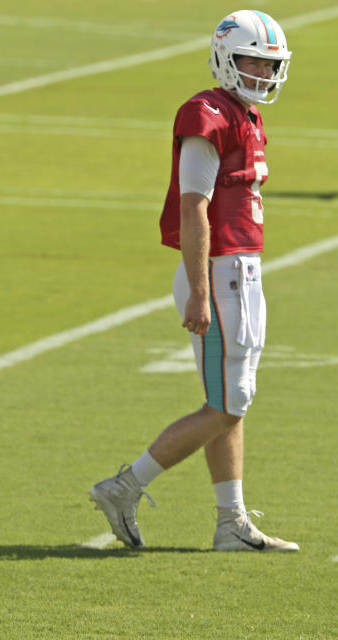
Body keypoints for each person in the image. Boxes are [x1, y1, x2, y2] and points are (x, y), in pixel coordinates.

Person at [90, 10, 297, 552]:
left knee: (231, 401)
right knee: (228, 405)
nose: (261, 73)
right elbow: (193, 206)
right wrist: (202, 288)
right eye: (252, 60)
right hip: (219, 271)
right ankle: (124, 486)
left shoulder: (244, 113)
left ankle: (230, 523)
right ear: (226, 56)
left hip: (242, 271)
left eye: (269, 64)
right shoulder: (206, 113)